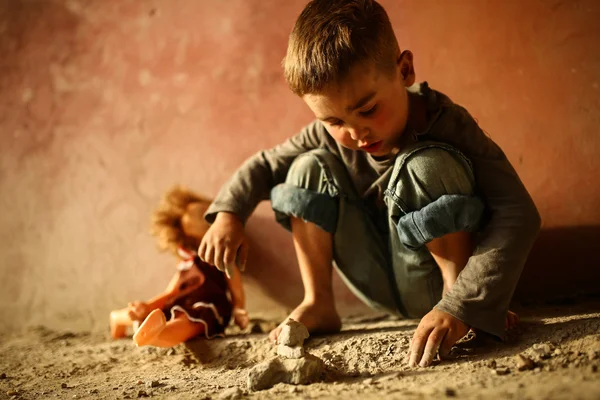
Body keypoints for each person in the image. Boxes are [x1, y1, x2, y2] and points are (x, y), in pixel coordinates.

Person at [198, 0, 540, 367]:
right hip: (375, 279)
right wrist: (228, 214)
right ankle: (318, 303)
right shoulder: (327, 136)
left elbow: (518, 211)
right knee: (305, 166)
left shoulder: (448, 123)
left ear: (404, 70)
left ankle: (456, 308)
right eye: (333, 120)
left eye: (367, 109)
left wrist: (470, 300)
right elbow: (264, 165)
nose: (356, 132)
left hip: (437, 285)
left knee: (427, 164)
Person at [109, 187, 248, 348]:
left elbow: (236, 287)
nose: (209, 222)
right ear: (188, 236)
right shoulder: (188, 262)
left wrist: (239, 309)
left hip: (210, 305)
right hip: (182, 302)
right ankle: (118, 318)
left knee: (190, 321)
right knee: (141, 312)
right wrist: (149, 305)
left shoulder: (223, 258)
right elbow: (171, 292)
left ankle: (159, 334)